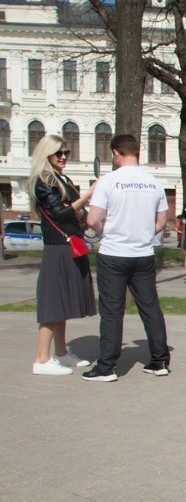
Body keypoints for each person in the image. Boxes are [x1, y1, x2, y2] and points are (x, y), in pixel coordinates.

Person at [82, 135, 171, 381]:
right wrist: (142, 233)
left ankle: (107, 367)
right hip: (142, 253)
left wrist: (105, 231)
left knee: (112, 311)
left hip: (113, 253)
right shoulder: (153, 182)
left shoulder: (109, 181)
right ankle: (159, 361)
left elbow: (92, 219)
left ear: (116, 153)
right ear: (137, 152)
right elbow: (162, 221)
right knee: (150, 307)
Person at [28, 135, 96, 375]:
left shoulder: (59, 178)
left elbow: (72, 213)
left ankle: (61, 353)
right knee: (52, 304)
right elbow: (61, 213)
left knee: (62, 304)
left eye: (66, 152)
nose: (64, 157)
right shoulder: (43, 180)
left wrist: (85, 220)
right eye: (59, 153)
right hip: (57, 248)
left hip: (68, 246)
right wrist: (87, 196)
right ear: (47, 155)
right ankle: (42, 359)